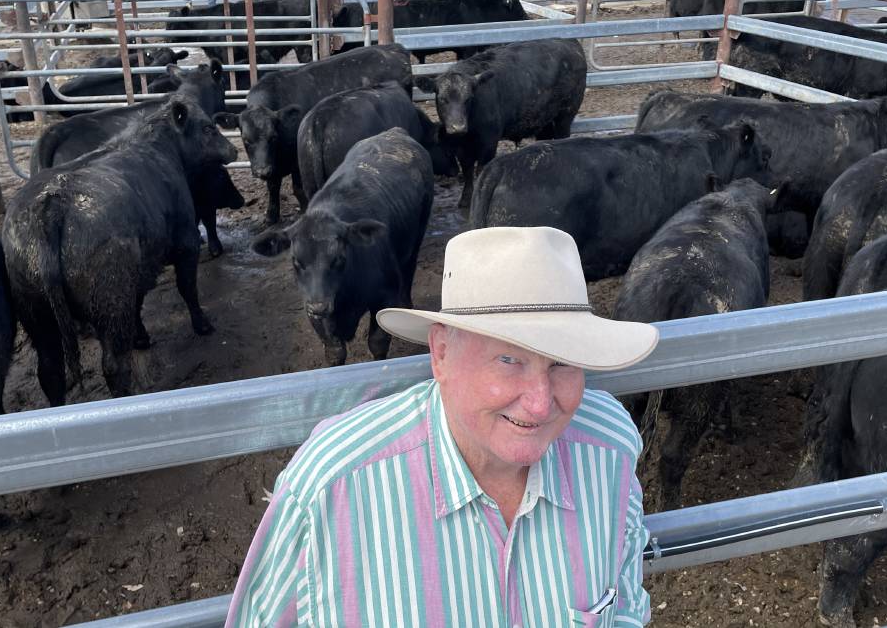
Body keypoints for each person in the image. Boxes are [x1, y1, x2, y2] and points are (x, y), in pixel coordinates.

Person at [225, 226, 659, 627]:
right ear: (442, 354)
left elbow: (623, 609)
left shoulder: (611, 448)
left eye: (562, 361)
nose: (541, 403)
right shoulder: (330, 487)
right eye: (509, 359)